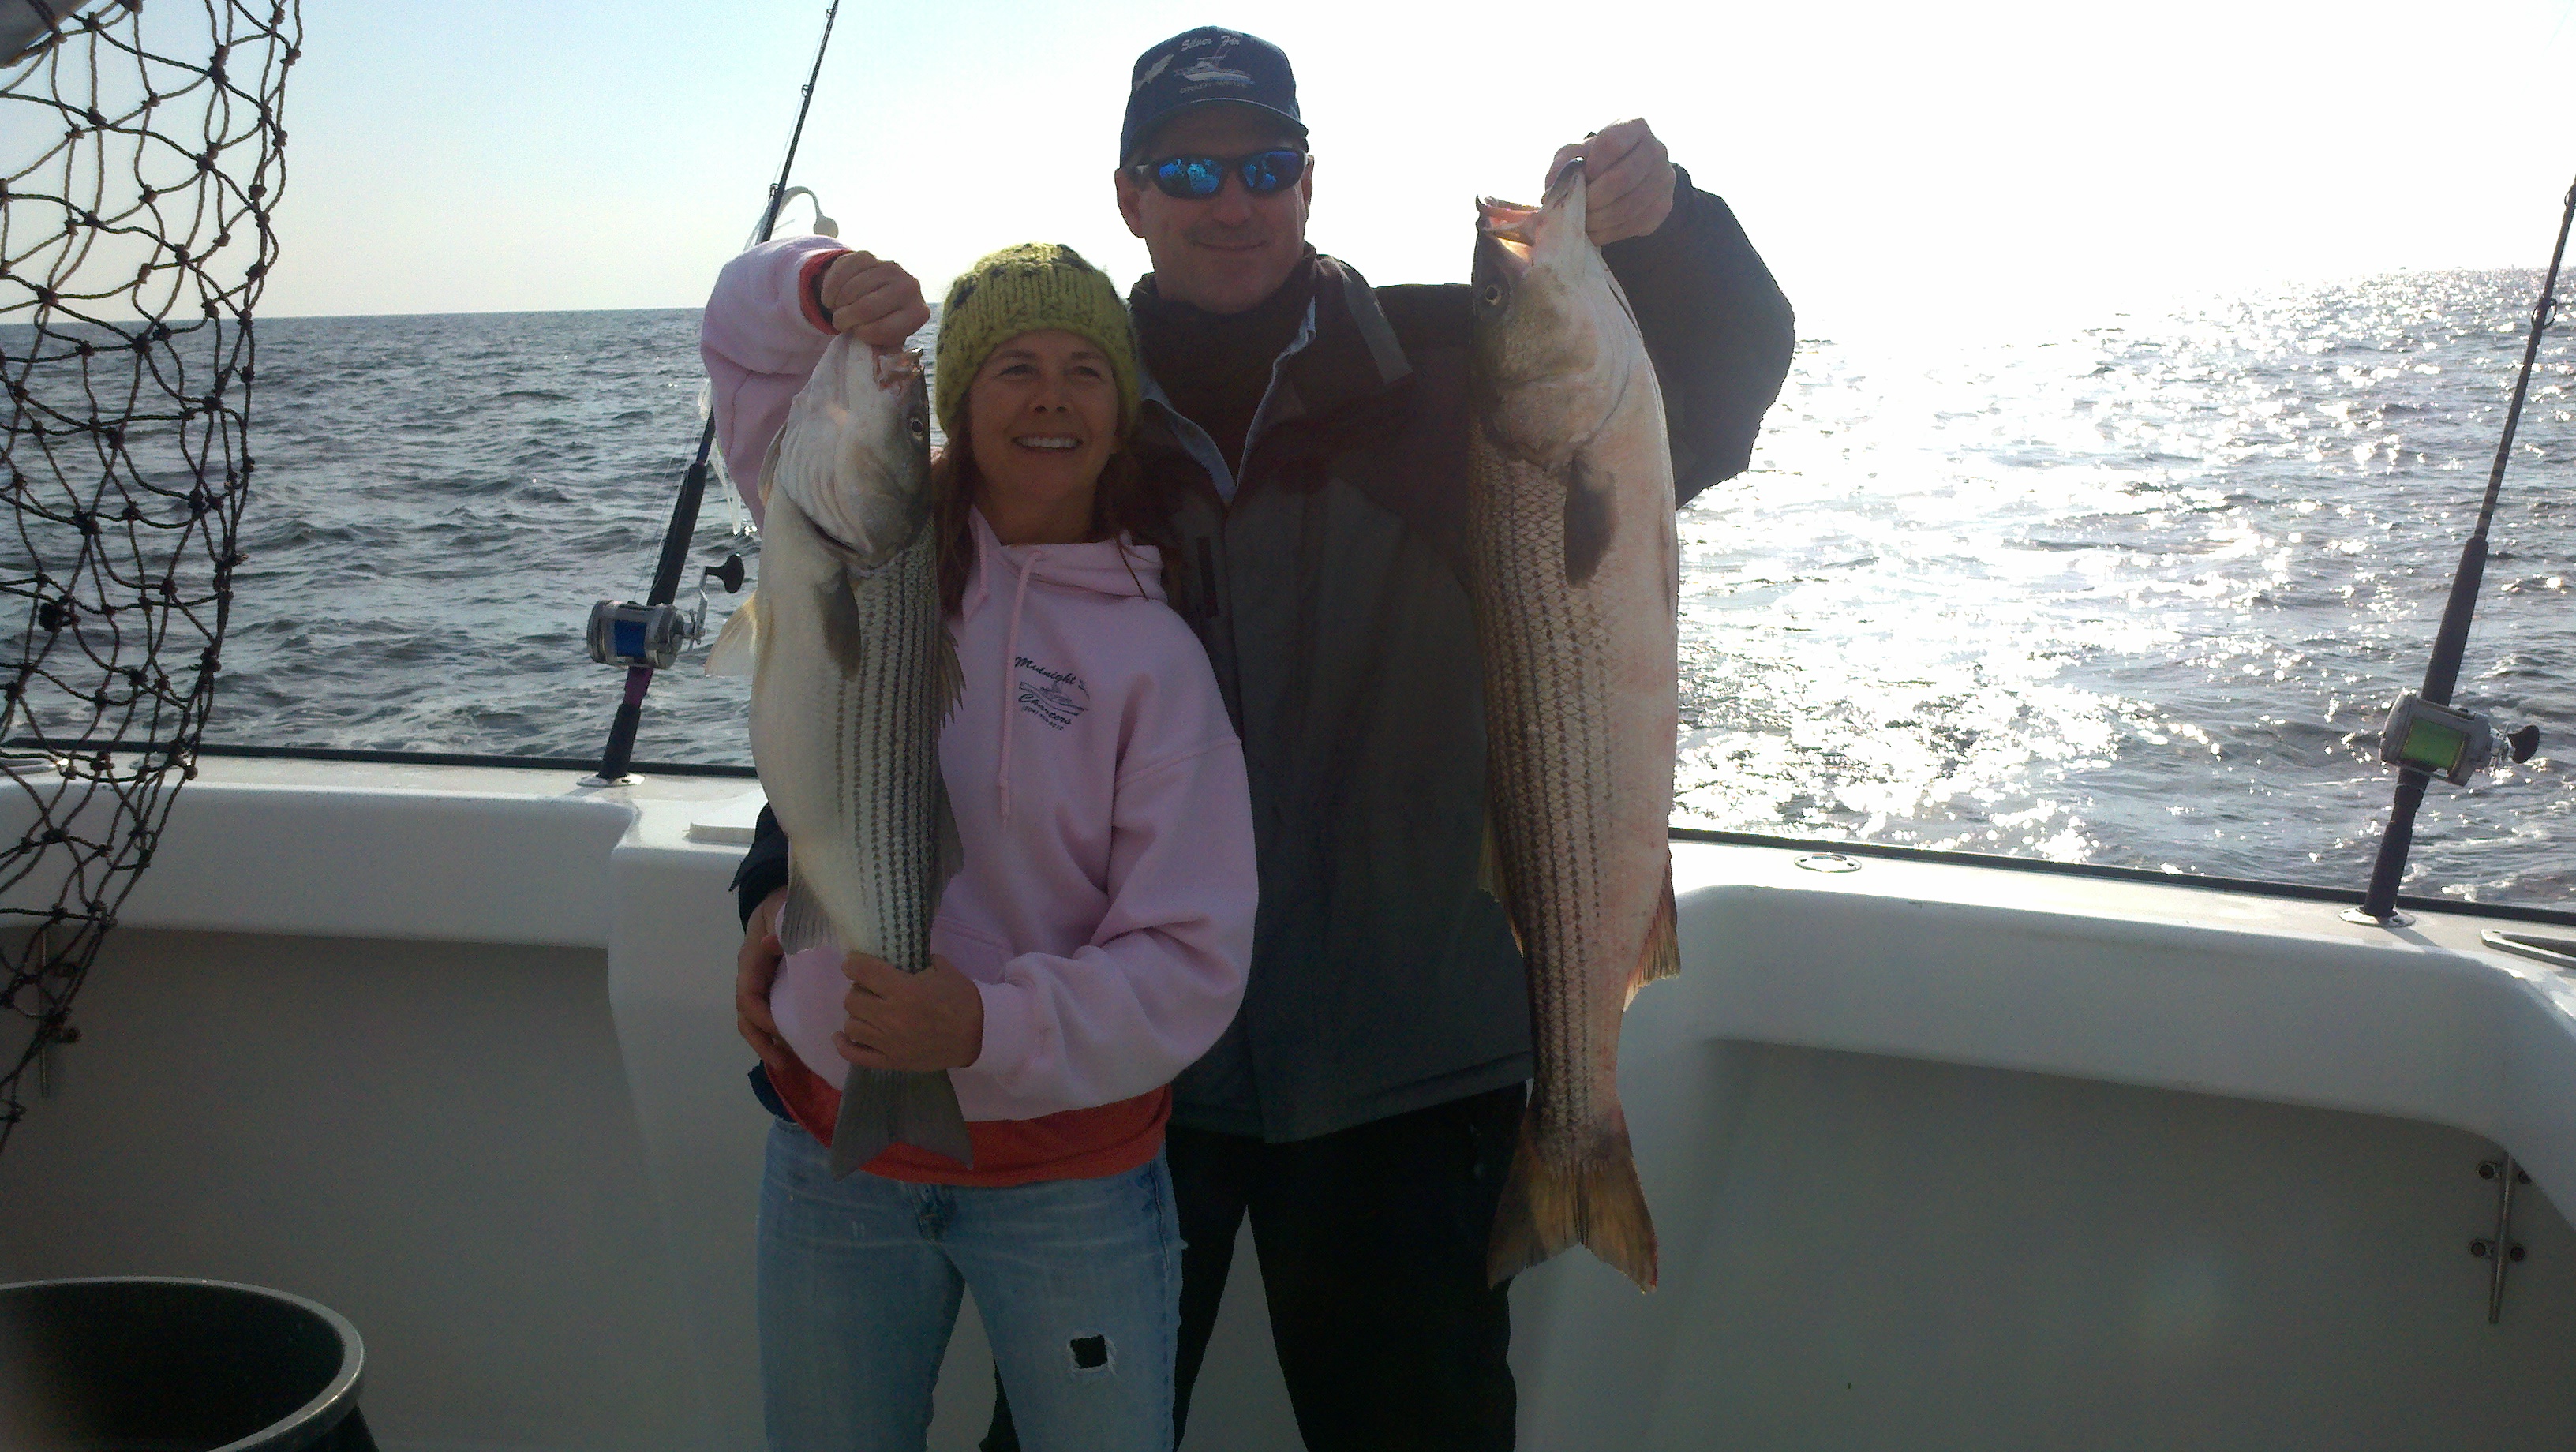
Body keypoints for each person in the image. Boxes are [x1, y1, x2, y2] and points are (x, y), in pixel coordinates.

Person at [737, 25, 1796, 1450]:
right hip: (1126, 1081)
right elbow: (888, 663)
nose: (1229, 199)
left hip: (1407, 1063)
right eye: (1187, 170)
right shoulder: (1070, 425)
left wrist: (1668, 230)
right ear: (1129, 195)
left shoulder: (1448, 368)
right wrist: (782, 885)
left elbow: (1717, 394)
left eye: (1264, 164)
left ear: (1309, 181)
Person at [703, 241, 1260, 1452]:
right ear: (956, 406)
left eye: (1084, 370)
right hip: (832, 1146)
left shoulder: (1155, 658)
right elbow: (741, 342)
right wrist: (823, 287)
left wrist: (983, 1029)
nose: (1050, 397)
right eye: (1012, 367)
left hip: (1071, 1180)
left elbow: (1192, 958)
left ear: (1122, 415)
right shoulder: (847, 526)